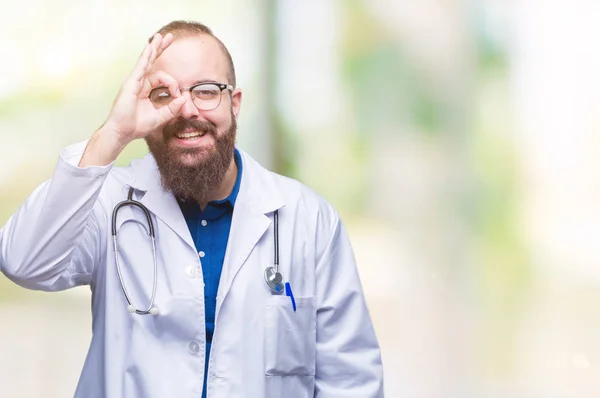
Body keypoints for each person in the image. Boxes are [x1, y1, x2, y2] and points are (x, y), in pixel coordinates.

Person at [0, 20, 384, 397]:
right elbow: (24, 261)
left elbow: (350, 382)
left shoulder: (309, 221)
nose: (185, 111)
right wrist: (113, 134)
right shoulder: (108, 203)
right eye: (163, 95)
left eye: (205, 90)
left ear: (234, 103)